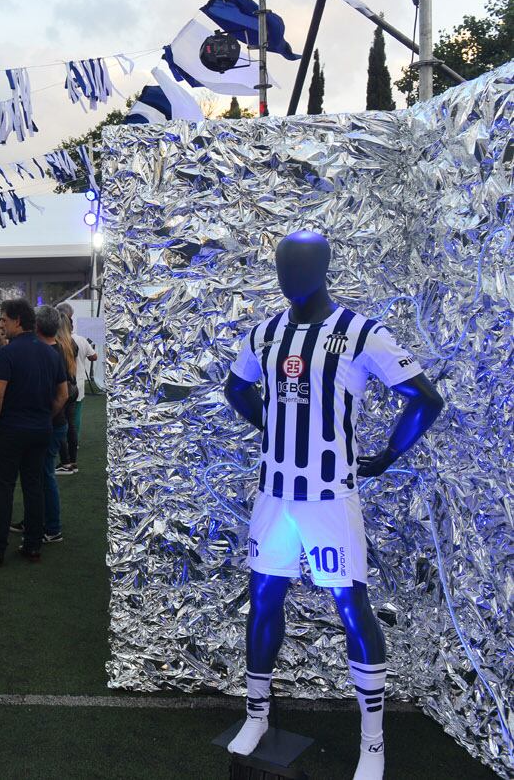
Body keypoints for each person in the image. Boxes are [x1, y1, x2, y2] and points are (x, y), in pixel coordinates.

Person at [222, 232, 444, 780]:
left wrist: (389, 454)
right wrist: (270, 426)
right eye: (281, 265)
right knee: (264, 600)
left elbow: (425, 396)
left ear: (323, 269)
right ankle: (255, 715)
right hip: (274, 496)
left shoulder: (360, 332)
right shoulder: (265, 333)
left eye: (299, 265)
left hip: (329, 497)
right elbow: (236, 388)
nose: (288, 275)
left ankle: (373, 743)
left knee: (352, 607)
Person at [0, 299, 67, 566]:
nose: (1, 325)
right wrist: (44, 416)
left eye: (4, 319)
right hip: (40, 429)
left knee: (4, 487)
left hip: (11, 429)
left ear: (17, 320)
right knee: (34, 486)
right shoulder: (52, 353)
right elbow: (63, 395)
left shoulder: (7, 353)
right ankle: (32, 545)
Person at [17, 306, 72, 543]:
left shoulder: (50, 352)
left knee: (44, 475)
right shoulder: (56, 349)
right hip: (52, 422)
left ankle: (52, 527)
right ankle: (35, 520)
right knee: (38, 475)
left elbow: (63, 394)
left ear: (36, 326)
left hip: (51, 423)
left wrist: (45, 417)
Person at [58, 324, 97, 476]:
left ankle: (66, 458)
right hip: (77, 383)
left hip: (65, 384)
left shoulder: (59, 342)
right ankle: (73, 452)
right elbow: (94, 356)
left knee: (63, 420)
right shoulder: (79, 340)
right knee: (74, 418)